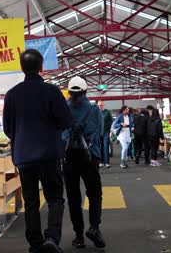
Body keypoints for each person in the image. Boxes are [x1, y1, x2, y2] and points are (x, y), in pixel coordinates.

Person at [3, 49, 73, 253]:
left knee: (31, 200)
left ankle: (34, 244)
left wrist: (22, 139)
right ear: (41, 67)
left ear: (21, 67)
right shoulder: (52, 91)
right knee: (55, 198)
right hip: (49, 155)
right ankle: (52, 238)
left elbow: (8, 128)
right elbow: (66, 121)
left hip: (24, 157)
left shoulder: (12, 94)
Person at [62, 77, 106, 249]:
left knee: (73, 197)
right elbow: (100, 133)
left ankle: (79, 236)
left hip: (69, 158)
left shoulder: (63, 108)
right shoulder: (94, 109)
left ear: (69, 92)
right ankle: (94, 228)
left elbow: (60, 133)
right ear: (85, 91)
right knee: (95, 194)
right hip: (89, 158)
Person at [97, 100, 113, 168]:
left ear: (103, 105)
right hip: (98, 133)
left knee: (106, 147)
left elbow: (112, 122)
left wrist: (111, 132)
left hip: (106, 132)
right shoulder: (96, 112)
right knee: (100, 147)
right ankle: (101, 162)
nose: (100, 106)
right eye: (99, 105)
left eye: (101, 105)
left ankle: (107, 162)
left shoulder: (107, 112)